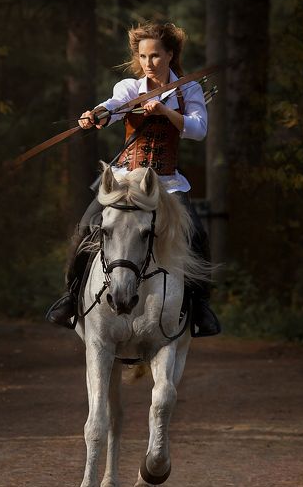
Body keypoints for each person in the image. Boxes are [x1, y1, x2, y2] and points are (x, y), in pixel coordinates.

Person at [45, 21, 221, 337]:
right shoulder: (129, 87)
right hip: (127, 179)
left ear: (170, 54)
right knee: (86, 226)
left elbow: (198, 129)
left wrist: (165, 112)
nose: (148, 63)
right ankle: (71, 299)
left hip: (167, 184)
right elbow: (113, 108)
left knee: (197, 235)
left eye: (155, 56)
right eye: (142, 56)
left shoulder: (188, 90)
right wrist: (96, 113)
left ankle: (200, 307)